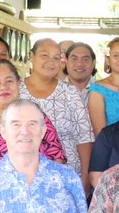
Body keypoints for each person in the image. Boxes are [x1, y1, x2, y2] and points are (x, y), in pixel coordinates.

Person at [0, 60, 64, 170]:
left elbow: (57, 157)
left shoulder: (36, 115)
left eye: (9, 81)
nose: (3, 87)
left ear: (18, 84)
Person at [20, 38, 95, 189]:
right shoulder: (15, 89)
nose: (51, 61)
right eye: (44, 55)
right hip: (23, 175)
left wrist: (86, 178)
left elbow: (84, 137)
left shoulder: (69, 91)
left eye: (56, 57)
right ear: (31, 56)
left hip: (67, 176)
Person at [88, 37, 119, 133]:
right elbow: (100, 133)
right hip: (111, 146)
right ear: (108, 60)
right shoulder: (98, 90)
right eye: (116, 55)